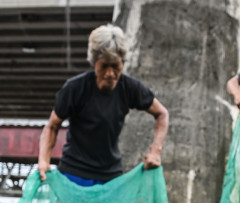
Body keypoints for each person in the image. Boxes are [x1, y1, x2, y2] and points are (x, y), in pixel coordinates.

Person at [37, 24, 169, 184]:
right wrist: (44, 160)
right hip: (74, 171)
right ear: (94, 63)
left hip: (109, 174)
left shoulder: (130, 88)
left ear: (122, 62)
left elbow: (162, 114)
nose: (110, 73)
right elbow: (52, 126)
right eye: (104, 66)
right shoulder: (75, 88)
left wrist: (156, 150)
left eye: (115, 66)